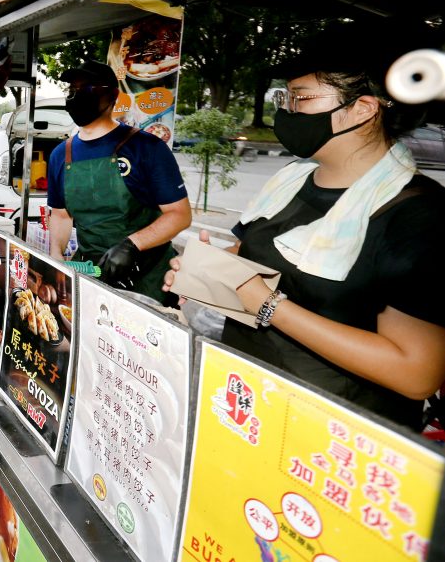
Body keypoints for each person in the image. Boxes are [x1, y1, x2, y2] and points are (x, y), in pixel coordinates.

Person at [164, 25, 445, 432]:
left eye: (302, 98)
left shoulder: (419, 214)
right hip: (246, 404)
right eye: (286, 97)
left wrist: (270, 306)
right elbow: (256, 262)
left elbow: (415, 372)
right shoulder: (292, 179)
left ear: (364, 108)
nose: (288, 110)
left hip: (329, 438)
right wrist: (204, 270)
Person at [46, 62, 191, 302]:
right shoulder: (61, 155)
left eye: (87, 88)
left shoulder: (147, 148)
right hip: (91, 274)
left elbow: (180, 214)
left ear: (112, 95)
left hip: (148, 278)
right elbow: (61, 215)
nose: (76, 95)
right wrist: (56, 256)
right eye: (72, 89)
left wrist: (132, 245)